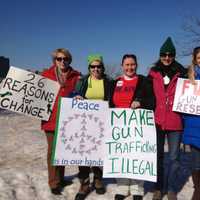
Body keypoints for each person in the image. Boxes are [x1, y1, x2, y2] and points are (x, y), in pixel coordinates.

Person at [109, 54, 155, 200]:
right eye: (127, 64)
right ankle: (122, 186)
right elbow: (109, 102)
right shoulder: (115, 82)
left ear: (136, 65)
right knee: (121, 155)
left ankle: (137, 187)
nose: (130, 67)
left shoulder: (144, 81)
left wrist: (140, 102)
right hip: (119, 126)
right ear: (122, 66)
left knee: (136, 155)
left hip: (138, 125)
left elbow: (152, 101)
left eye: (132, 64)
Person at [148, 37, 186, 200]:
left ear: (174, 56)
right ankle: (158, 187)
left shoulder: (183, 73)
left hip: (175, 121)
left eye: (170, 55)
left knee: (174, 157)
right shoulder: (153, 73)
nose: (167, 57)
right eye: (164, 54)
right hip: (157, 120)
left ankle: (171, 188)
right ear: (160, 55)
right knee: (157, 156)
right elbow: (146, 94)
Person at [41, 48, 81, 195]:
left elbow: (80, 92)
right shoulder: (46, 75)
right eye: (59, 59)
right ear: (55, 60)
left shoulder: (76, 76)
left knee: (62, 150)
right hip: (50, 119)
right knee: (52, 151)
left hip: (68, 120)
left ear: (69, 60)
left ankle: (61, 178)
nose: (62, 61)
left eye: (65, 59)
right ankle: (54, 182)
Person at [74, 54, 112, 200]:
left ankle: (97, 179)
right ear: (89, 68)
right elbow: (75, 94)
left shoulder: (108, 81)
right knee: (83, 153)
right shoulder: (83, 80)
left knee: (97, 152)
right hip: (84, 123)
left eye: (99, 66)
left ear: (102, 67)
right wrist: (76, 96)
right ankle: (84, 183)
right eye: (93, 66)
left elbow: (112, 99)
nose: (96, 69)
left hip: (101, 123)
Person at [182, 46, 200, 200]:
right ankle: (198, 189)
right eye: (199, 58)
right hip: (194, 126)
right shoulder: (189, 78)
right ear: (195, 59)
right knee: (195, 163)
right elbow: (183, 103)